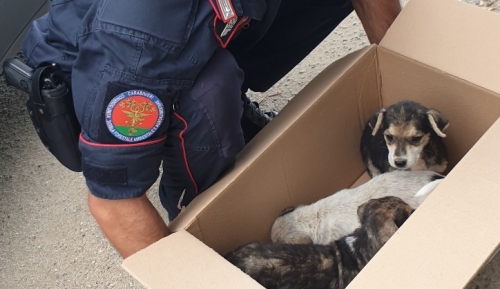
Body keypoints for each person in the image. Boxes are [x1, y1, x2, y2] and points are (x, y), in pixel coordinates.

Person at [22, 0, 401, 258]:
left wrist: (404, 73)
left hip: (182, 31)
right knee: (209, 96)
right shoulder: (136, 44)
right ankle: (200, 207)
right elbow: (112, 201)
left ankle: (229, 92)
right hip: (98, 67)